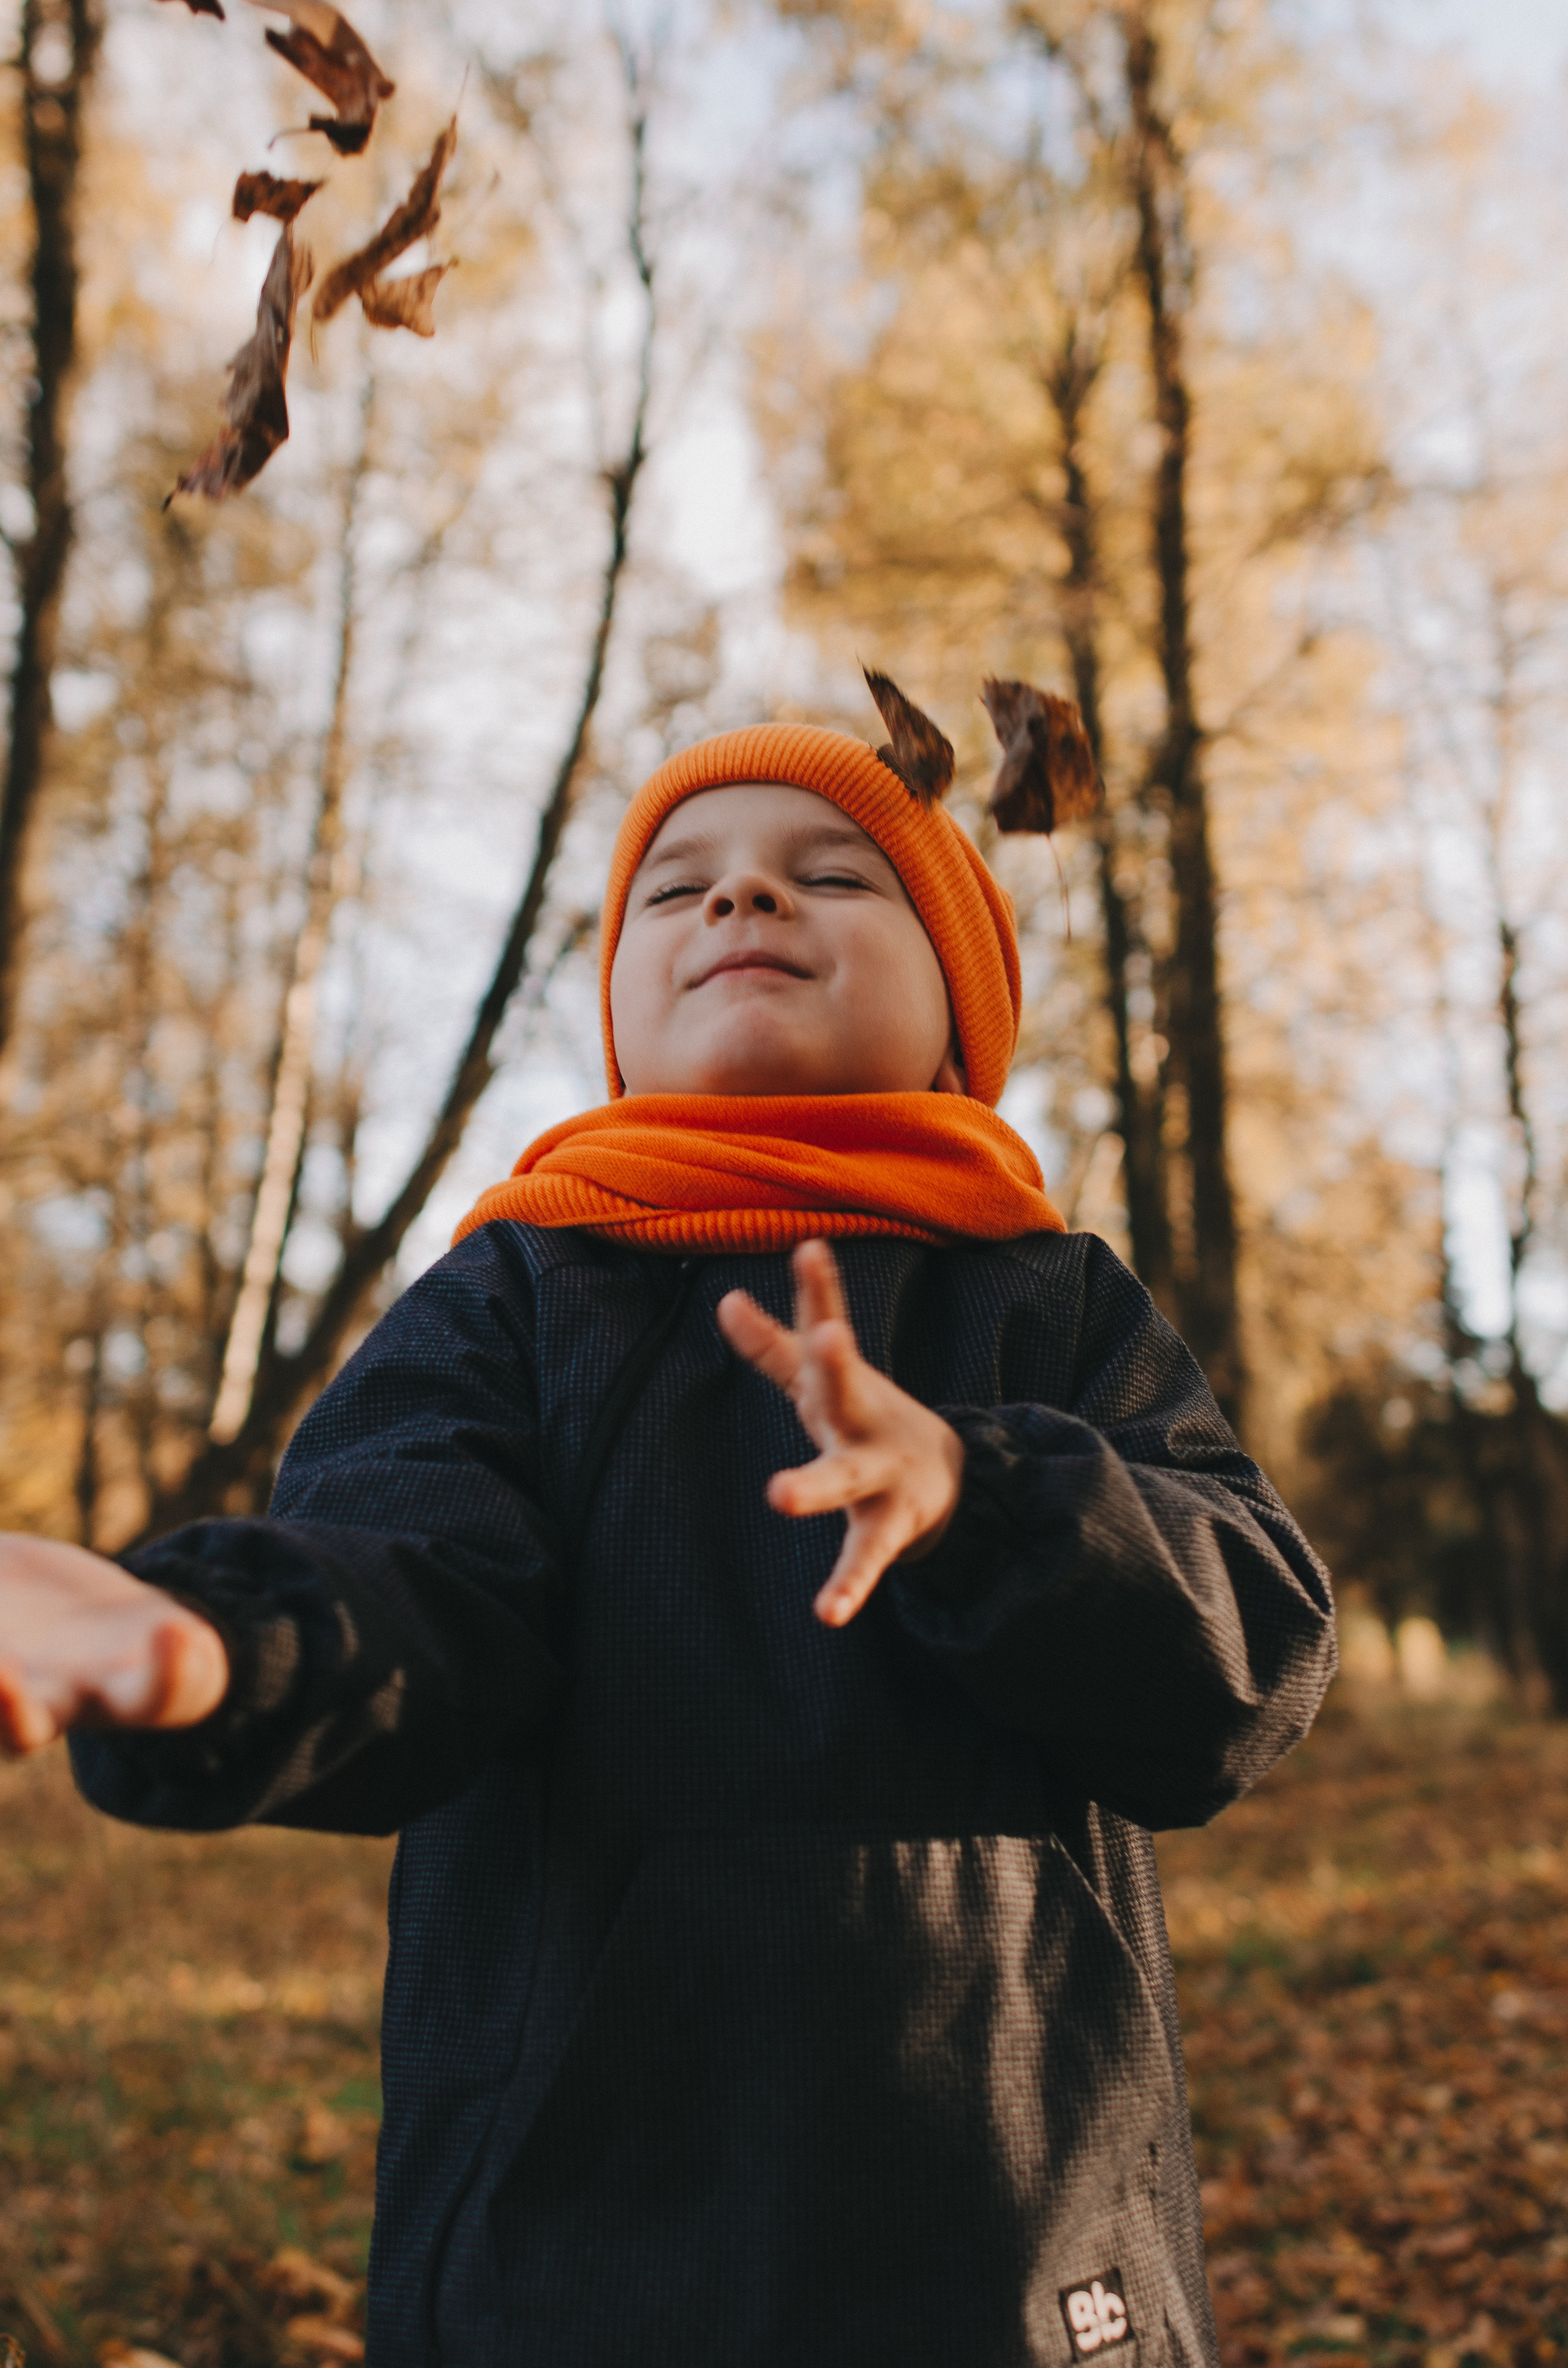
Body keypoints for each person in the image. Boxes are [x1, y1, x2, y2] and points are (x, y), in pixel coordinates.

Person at [0, 719, 1335, 2368]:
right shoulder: (507, 1302)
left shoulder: (1051, 1306)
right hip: (576, 2248)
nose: (746, 895)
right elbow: (416, 1585)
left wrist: (982, 1497)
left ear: (960, 1011)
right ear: (623, 1012)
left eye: (832, 870)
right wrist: (209, 1648)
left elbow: (1248, 1648)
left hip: (1016, 2244)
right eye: (677, 889)